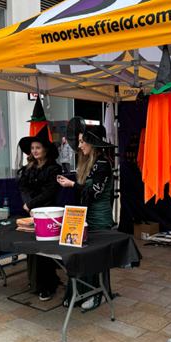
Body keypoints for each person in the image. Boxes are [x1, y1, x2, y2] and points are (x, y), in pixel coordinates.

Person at [56, 122, 115, 309]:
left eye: (83, 142)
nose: (79, 146)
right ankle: (81, 292)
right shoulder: (90, 163)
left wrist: (72, 185)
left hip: (99, 218)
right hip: (86, 216)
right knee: (82, 256)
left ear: (93, 143)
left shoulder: (103, 164)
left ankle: (99, 294)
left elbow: (94, 193)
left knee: (96, 258)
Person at [18, 125, 61, 301]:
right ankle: (35, 281)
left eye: (38, 147)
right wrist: (29, 205)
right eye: (32, 148)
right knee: (32, 248)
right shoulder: (28, 168)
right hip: (32, 212)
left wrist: (32, 204)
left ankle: (47, 286)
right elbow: (24, 187)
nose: (34, 151)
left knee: (45, 251)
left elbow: (51, 192)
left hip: (48, 213)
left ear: (46, 149)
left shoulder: (54, 168)